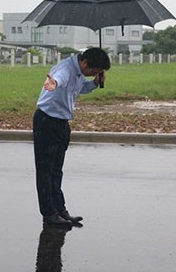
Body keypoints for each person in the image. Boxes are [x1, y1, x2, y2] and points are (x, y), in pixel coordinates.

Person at [33, 47, 111, 226]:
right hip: (47, 121)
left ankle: (60, 210)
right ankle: (49, 213)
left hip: (61, 123)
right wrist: (54, 84)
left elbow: (81, 87)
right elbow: (60, 79)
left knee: (56, 170)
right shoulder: (66, 69)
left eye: (97, 72)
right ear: (84, 62)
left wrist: (94, 82)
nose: (92, 73)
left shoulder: (79, 71)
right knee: (45, 171)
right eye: (93, 70)